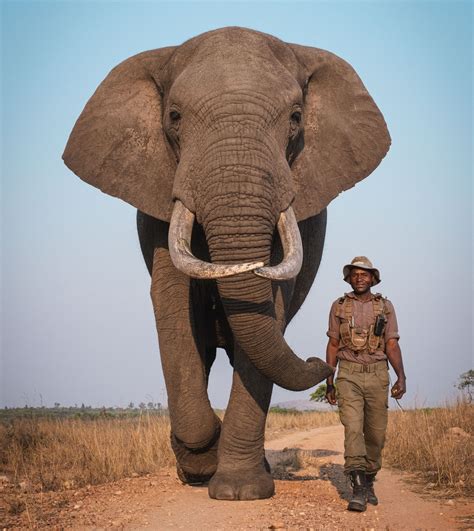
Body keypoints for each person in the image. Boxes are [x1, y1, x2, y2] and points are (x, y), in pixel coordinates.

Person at [325, 256, 406, 512]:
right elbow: (333, 344)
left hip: (377, 374)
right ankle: (358, 487)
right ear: (349, 278)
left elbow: (391, 343)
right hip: (348, 373)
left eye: (365, 274)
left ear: (373, 278)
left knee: (376, 434)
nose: (360, 278)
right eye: (355, 274)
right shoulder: (338, 306)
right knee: (352, 428)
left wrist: (401, 376)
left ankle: (369, 479)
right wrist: (329, 380)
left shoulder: (386, 306)